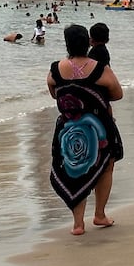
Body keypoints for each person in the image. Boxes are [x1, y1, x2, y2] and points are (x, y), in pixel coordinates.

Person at [47, 24, 124, 236]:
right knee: (106, 167)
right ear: (87, 41)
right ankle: (99, 214)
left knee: (74, 170)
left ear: (67, 44)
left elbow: (54, 93)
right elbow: (117, 94)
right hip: (99, 125)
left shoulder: (55, 68)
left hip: (68, 128)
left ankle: (78, 223)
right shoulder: (100, 68)